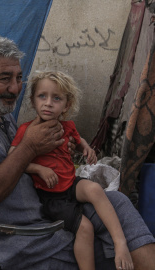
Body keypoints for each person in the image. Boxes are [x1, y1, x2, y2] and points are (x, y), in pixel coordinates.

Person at [0, 34, 155, 270]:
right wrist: (31, 146)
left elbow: (24, 157)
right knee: (114, 251)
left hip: (47, 212)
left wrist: (57, 147)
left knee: (118, 203)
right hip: (21, 243)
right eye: (5, 78)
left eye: (19, 78)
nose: (15, 88)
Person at [9, 71, 133, 270]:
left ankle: (120, 243)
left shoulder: (67, 126)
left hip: (69, 184)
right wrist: (38, 168)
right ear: (33, 101)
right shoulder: (27, 130)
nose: (48, 103)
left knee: (94, 189)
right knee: (85, 228)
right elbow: (12, 158)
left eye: (56, 98)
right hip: (50, 196)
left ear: (66, 105)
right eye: (42, 96)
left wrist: (86, 147)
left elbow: (77, 139)